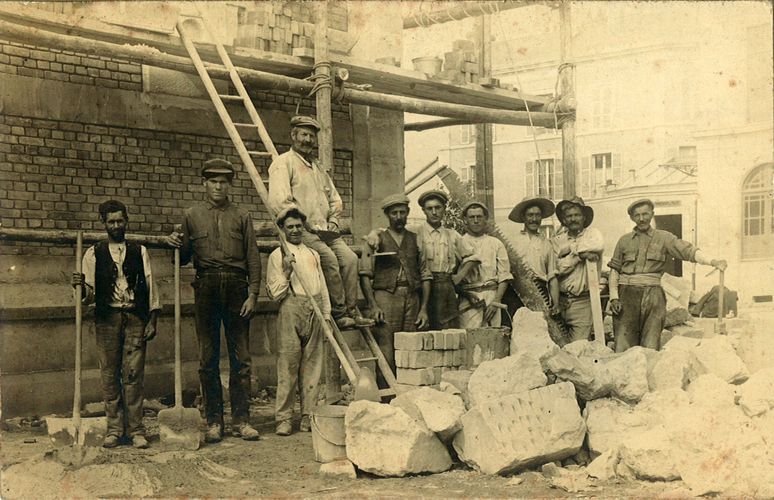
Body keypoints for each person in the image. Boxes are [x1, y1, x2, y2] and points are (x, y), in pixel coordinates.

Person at [165, 159, 261, 443]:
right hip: (206, 286)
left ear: (230, 185)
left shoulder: (242, 216)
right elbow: (182, 258)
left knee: (241, 358)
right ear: (204, 184)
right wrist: (172, 242)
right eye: (213, 181)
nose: (219, 186)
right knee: (208, 358)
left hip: (237, 288)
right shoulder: (191, 215)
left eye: (224, 182)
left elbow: (253, 257)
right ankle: (214, 421)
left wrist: (254, 294)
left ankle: (242, 420)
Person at [71, 199, 160, 449]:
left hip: (135, 319)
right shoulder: (93, 253)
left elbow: (151, 286)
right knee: (109, 376)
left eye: (120, 220)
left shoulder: (139, 251)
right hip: (107, 320)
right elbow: (87, 296)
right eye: (111, 222)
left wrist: (152, 320)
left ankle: (136, 430)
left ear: (126, 221)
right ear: (104, 224)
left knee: (133, 376)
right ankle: (114, 430)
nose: (116, 225)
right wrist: (79, 285)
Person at [268, 115, 370, 329]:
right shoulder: (283, 163)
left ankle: (352, 309)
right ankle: (340, 314)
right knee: (330, 260)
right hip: (302, 230)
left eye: (311, 136)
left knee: (350, 259)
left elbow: (335, 199)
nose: (307, 140)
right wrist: (303, 224)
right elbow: (281, 202)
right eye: (303, 134)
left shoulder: (318, 168)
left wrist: (333, 221)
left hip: (326, 231)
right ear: (293, 136)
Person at [608, 198, 727, 351]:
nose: (642, 218)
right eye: (637, 215)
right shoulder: (623, 241)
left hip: (654, 297)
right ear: (632, 218)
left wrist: (713, 261)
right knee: (623, 346)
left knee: (650, 346)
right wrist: (613, 297)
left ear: (652, 214)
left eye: (645, 214)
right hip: (626, 296)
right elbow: (614, 270)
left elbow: (687, 251)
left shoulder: (664, 237)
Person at [266, 208, 330, 436]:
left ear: (303, 227)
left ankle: (307, 416)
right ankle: (283, 418)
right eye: (290, 227)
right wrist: (285, 270)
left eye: (298, 226)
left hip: (315, 308)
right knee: (288, 366)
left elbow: (322, 285)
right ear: (282, 229)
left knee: (312, 368)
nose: (295, 230)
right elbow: (275, 293)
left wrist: (327, 313)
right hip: (291, 308)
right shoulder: (277, 255)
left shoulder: (313, 254)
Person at [359, 194, 430, 387]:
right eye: (394, 213)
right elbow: (364, 274)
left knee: (410, 351)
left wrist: (423, 309)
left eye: (402, 212)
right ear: (387, 215)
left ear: (408, 213)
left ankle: (408, 397)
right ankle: (387, 398)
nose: (398, 216)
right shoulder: (375, 239)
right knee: (386, 352)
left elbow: (425, 274)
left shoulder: (416, 239)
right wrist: (373, 306)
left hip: (412, 298)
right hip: (385, 297)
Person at [410, 190, 479, 329]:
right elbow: (387, 232)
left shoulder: (452, 234)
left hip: (445, 287)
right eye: (430, 208)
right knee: (423, 329)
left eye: (438, 207)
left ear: (444, 209)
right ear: (423, 211)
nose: (434, 212)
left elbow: (474, 257)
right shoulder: (414, 231)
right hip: (422, 287)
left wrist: (459, 275)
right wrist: (374, 235)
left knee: (448, 330)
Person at [551, 197, 605, 342]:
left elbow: (598, 245)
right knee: (559, 349)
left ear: (584, 217)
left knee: (579, 348)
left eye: (577, 215)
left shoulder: (592, 235)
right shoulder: (557, 241)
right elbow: (557, 268)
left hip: (582, 303)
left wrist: (570, 251)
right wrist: (579, 256)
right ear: (564, 219)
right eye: (569, 216)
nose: (573, 219)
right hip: (560, 302)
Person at [457, 201, 513, 328]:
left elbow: (504, 276)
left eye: (479, 217)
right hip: (468, 299)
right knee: (469, 339)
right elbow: (452, 278)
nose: (476, 220)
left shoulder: (496, 243)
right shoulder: (458, 242)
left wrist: (496, 302)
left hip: (492, 298)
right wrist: (467, 295)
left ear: (485, 219)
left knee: (492, 339)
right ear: (465, 220)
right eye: (472, 217)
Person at [507, 196, 560, 315]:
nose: (534, 219)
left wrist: (555, 302)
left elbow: (552, 277)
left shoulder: (547, 244)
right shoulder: (512, 241)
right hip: (516, 292)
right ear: (523, 217)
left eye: (538, 215)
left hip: (540, 291)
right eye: (530, 215)